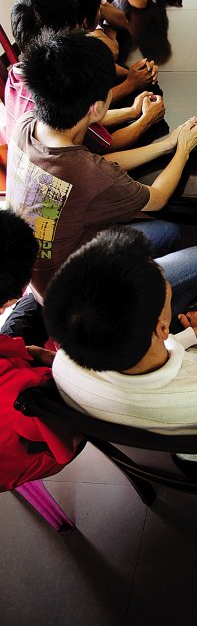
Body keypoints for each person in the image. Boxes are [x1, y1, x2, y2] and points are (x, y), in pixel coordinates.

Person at [6, 29, 197, 310]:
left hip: (43, 280)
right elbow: (157, 197)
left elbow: (99, 166)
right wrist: (183, 149)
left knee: (170, 232)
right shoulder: (87, 173)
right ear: (96, 107)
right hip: (79, 302)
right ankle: (150, 319)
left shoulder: (27, 123)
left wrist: (167, 144)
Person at [45, 226, 197, 454]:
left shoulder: (64, 364)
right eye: (163, 277)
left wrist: (195, 334)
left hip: (174, 402)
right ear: (163, 329)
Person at [4, 0, 165, 155]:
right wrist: (147, 119)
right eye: (75, 31)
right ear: (56, 44)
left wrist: (132, 111)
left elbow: (90, 119)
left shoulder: (16, 74)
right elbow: (107, 146)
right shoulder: (55, 95)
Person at [0, 208, 78, 490]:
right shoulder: (26, 389)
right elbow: (63, 437)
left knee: (37, 306)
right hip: (29, 454)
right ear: (9, 301)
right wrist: (66, 368)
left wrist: (27, 352)